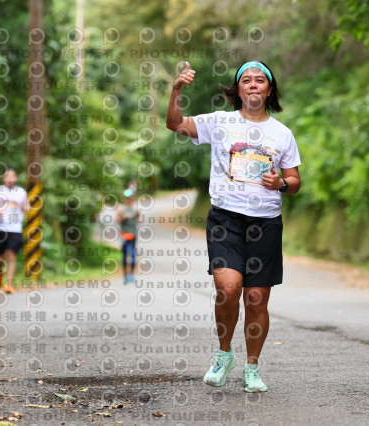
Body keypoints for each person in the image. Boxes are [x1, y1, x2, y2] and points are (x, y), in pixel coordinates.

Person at [166, 60, 301, 392]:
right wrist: (176, 89)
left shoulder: (282, 133)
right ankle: (224, 354)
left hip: (266, 222)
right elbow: (175, 124)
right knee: (228, 289)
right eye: (246, 80)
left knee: (256, 298)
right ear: (238, 89)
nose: (253, 84)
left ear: (269, 90)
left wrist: (281, 184)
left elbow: (295, 181)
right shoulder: (219, 122)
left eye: (260, 80)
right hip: (225, 219)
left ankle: (251, 367)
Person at [0, 168, 28, 293]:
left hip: (15, 228)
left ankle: (9, 284)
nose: (10, 179)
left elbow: (24, 207)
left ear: (16, 178)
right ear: (3, 179)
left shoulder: (21, 192)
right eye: (8, 176)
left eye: (13, 176)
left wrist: (28, 207)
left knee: (11, 254)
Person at [116, 189, 140, 283]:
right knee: (125, 255)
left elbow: (139, 219)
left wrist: (137, 215)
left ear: (132, 198)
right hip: (124, 235)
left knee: (133, 254)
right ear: (124, 198)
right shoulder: (120, 208)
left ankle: (131, 274)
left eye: (129, 198)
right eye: (126, 198)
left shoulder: (136, 208)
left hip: (133, 234)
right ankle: (125, 275)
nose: (128, 199)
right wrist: (123, 217)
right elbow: (117, 221)